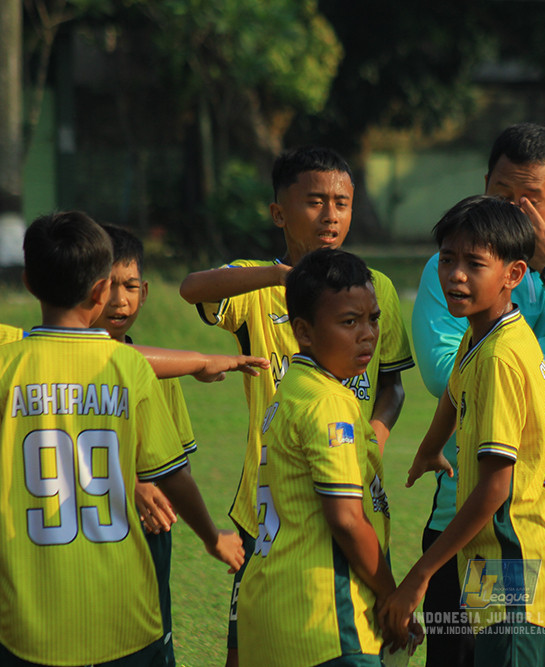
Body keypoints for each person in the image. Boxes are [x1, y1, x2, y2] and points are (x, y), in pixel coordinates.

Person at [179, 147, 414, 666]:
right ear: (279, 212)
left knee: (351, 615)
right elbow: (192, 288)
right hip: (265, 503)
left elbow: (393, 385)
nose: (331, 215)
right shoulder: (259, 284)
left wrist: (373, 434)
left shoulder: (377, 288)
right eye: (315, 201)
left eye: (343, 202)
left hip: (347, 482)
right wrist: (278, 277)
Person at [0, 211, 244, 666]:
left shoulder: (6, 366)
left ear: (29, 282)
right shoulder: (130, 369)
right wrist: (211, 537)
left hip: (25, 620)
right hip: (125, 619)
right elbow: (173, 476)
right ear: (99, 290)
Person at [410, 122, 545, 664]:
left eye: (531, 200)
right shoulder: (450, 264)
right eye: (501, 195)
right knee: (475, 653)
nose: (515, 211)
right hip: (469, 515)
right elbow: (441, 372)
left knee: (521, 648)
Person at [382, 196, 545, 665]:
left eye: (474, 263)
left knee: (505, 651)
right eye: (447, 260)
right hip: (492, 555)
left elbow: (494, 489)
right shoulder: (481, 331)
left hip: (515, 562)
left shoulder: (500, 358)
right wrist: (428, 447)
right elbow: (453, 388)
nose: (456, 275)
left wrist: (419, 576)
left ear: (514, 274)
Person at [238, 248, 420, 667]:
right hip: (324, 620)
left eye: (373, 319)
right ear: (303, 331)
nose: (368, 334)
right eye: (348, 322)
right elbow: (345, 518)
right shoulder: (326, 402)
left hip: (272, 612)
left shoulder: (295, 388)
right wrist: (393, 596)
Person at [92, 224, 198, 666]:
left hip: (150, 536)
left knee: (153, 643)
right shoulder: (63, 367)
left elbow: (179, 467)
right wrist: (130, 483)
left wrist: (164, 499)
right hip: (90, 535)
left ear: (146, 291)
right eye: (108, 286)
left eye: (130, 286)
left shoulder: (162, 370)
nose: (120, 300)